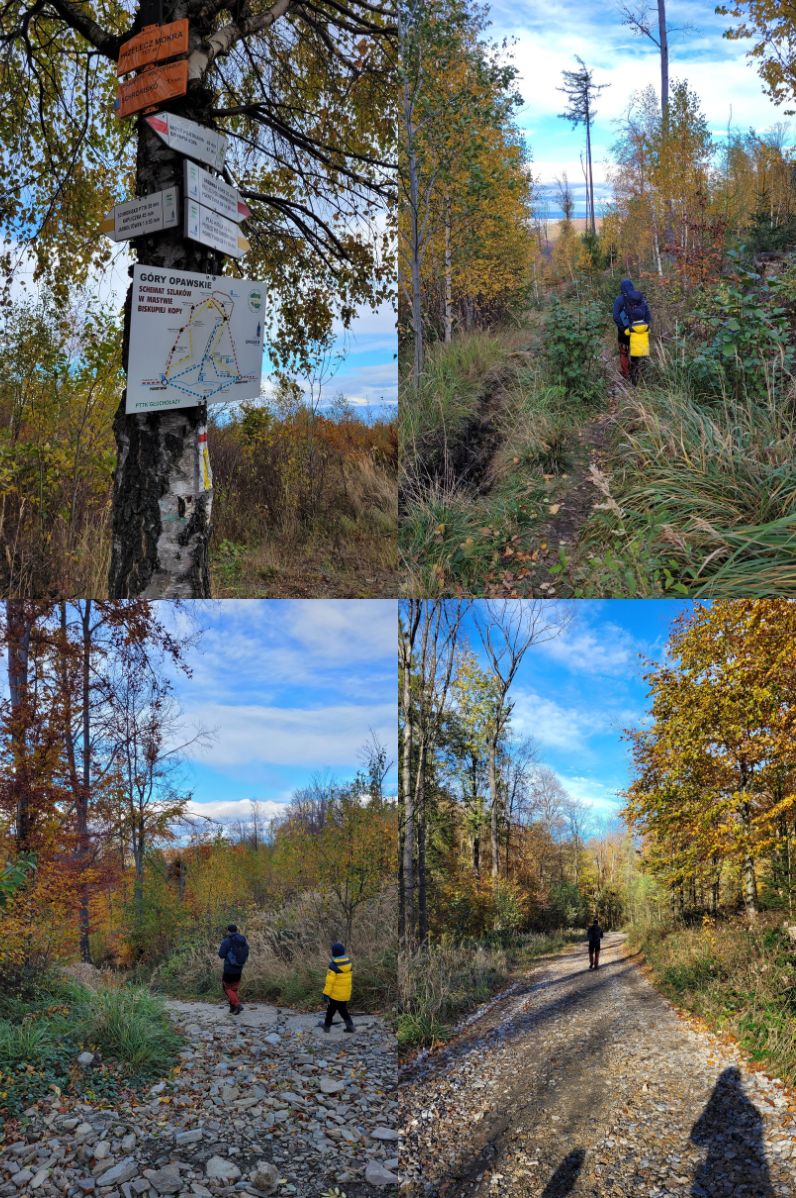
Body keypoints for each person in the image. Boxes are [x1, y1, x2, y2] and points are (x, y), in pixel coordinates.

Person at [612, 277, 652, 385]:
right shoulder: (640, 298)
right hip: (640, 333)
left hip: (624, 333)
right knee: (638, 354)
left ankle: (626, 375)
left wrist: (623, 328)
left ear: (621, 288)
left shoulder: (619, 300)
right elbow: (648, 315)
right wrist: (646, 327)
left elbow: (615, 316)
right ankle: (641, 376)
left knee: (624, 353)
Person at [318, 941, 354, 1033]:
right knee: (343, 1010)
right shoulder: (349, 964)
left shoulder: (333, 965)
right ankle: (350, 1026)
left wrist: (326, 994)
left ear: (334, 953)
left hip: (335, 995)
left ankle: (326, 1026)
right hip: (345, 994)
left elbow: (329, 982)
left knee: (330, 1011)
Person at [218, 923, 249, 1015]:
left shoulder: (226, 941)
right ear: (236, 930)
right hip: (239, 967)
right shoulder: (242, 940)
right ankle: (232, 1008)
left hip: (229, 968)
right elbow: (246, 952)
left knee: (226, 987)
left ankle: (237, 1004)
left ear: (228, 931)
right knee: (234, 988)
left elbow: (221, 955)